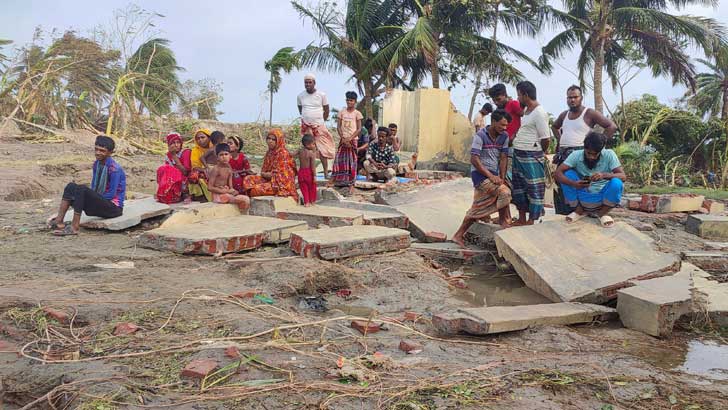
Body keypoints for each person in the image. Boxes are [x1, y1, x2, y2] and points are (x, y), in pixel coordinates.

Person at [551, 85, 618, 214]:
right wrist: (560, 140)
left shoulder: (589, 113)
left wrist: (599, 143)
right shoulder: (564, 114)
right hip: (564, 155)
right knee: (564, 183)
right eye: (569, 97)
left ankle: (588, 212)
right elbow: (554, 127)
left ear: (581, 98)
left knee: (584, 184)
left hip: (583, 154)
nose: (572, 100)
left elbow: (611, 126)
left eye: (575, 97)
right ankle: (568, 214)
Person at [452, 110, 513, 247]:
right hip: (480, 176)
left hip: (494, 176)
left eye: (506, 126)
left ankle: (458, 235)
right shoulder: (480, 136)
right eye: (501, 125)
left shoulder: (504, 136)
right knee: (504, 193)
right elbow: (474, 159)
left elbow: (503, 157)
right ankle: (504, 222)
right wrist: (491, 176)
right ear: (493, 122)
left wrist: (501, 178)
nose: (504, 128)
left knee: (477, 208)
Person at [48, 135, 126, 236]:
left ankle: (74, 227)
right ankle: (59, 221)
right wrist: (90, 197)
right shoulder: (97, 164)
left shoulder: (115, 169)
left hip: (113, 209)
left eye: (102, 151)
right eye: (96, 149)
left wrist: (91, 198)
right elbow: (93, 186)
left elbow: (111, 194)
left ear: (110, 153)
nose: (98, 153)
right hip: (101, 203)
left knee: (82, 190)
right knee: (70, 187)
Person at [555, 132, 626, 228]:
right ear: (584, 148)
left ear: (601, 150)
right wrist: (574, 183)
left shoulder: (609, 154)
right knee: (567, 174)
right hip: (583, 194)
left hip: (602, 197)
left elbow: (623, 176)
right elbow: (558, 173)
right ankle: (578, 211)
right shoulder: (576, 155)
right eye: (588, 153)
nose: (591, 157)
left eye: (595, 154)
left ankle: (602, 213)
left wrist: (604, 175)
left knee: (616, 182)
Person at [511, 81, 551, 225]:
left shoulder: (539, 113)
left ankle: (531, 220)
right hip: (519, 154)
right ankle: (521, 218)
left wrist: (540, 152)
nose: (518, 98)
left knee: (534, 188)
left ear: (525, 95)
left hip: (531, 155)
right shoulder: (526, 111)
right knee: (519, 187)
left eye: (519, 95)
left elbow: (546, 138)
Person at [242, 129, 299, 201]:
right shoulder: (269, 153)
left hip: (279, 185)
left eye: (273, 139)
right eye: (268, 138)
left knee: (255, 190)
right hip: (268, 180)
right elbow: (264, 171)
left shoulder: (283, 154)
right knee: (247, 179)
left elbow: (282, 176)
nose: (270, 141)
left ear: (279, 140)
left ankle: (252, 193)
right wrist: (265, 174)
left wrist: (267, 174)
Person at [297, 74, 334, 178]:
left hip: (319, 126)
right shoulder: (300, 96)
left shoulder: (321, 95)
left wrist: (320, 121)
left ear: (314, 83)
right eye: (306, 82)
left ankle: (326, 172)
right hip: (306, 127)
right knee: (307, 150)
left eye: (310, 82)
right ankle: (308, 173)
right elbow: (301, 109)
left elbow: (326, 110)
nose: (308, 84)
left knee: (323, 150)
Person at [332, 91, 363, 193]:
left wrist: (350, 138)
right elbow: (338, 126)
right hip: (343, 140)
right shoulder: (342, 112)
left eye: (351, 100)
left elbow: (359, 129)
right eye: (348, 100)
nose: (349, 102)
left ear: (355, 102)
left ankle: (351, 184)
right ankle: (338, 180)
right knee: (339, 160)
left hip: (352, 140)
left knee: (352, 162)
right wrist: (343, 138)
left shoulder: (357, 114)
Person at [207, 143, 250, 211]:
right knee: (242, 199)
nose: (224, 157)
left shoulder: (229, 169)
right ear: (217, 157)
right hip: (217, 196)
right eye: (221, 155)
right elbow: (209, 187)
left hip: (226, 193)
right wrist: (222, 191)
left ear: (230, 156)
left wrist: (233, 191)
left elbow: (231, 187)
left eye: (226, 154)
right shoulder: (216, 169)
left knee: (246, 199)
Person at [156, 132, 191, 204]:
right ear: (169, 145)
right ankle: (167, 193)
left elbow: (185, 172)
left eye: (178, 142)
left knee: (170, 171)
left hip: (185, 180)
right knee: (162, 169)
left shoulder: (185, 152)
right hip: (173, 180)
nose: (176, 145)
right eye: (173, 143)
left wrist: (174, 156)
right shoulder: (168, 155)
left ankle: (184, 195)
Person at [189, 128, 213, 202]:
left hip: (215, 169)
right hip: (202, 170)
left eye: (203, 137)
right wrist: (205, 170)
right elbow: (195, 166)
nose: (200, 140)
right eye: (198, 138)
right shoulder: (195, 150)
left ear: (209, 138)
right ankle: (200, 196)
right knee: (194, 175)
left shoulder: (214, 148)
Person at [297, 134, 318, 206]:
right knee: (312, 187)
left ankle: (306, 202)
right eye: (313, 144)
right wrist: (315, 176)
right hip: (308, 173)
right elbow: (313, 166)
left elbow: (291, 155)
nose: (314, 145)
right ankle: (312, 201)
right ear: (308, 145)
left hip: (301, 172)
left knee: (304, 188)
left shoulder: (300, 151)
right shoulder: (311, 154)